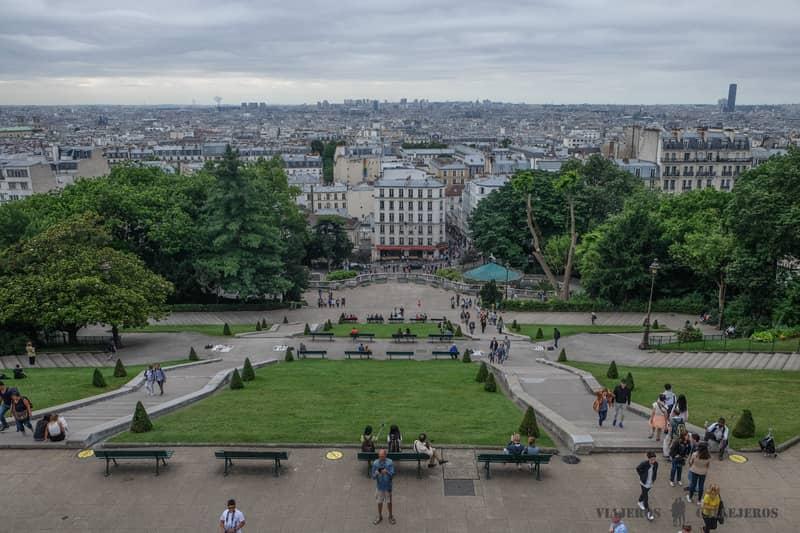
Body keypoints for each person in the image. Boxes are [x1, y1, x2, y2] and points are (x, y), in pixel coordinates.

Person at [371, 449, 396, 525]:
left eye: (382, 456)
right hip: (380, 487)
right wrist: (376, 474)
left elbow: (393, 475)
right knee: (379, 502)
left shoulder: (390, 462)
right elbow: (373, 477)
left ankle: (390, 516)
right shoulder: (375, 463)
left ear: (385, 455)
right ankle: (379, 516)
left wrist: (387, 472)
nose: (381, 458)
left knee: (389, 502)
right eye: (380, 456)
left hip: (388, 486)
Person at [636, 451, 658, 521]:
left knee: (644, 493)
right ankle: (649, 513)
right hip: (644, 483)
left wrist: (654, 479)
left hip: (650, 483)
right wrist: (642, 475)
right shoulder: (644, 463)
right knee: (646, 498)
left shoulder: (656, 464)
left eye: (654, 459)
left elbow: (655, 472)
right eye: (652, 459)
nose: (653, 461)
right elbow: (637, 468)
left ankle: (639, 501)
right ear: (648, 459)